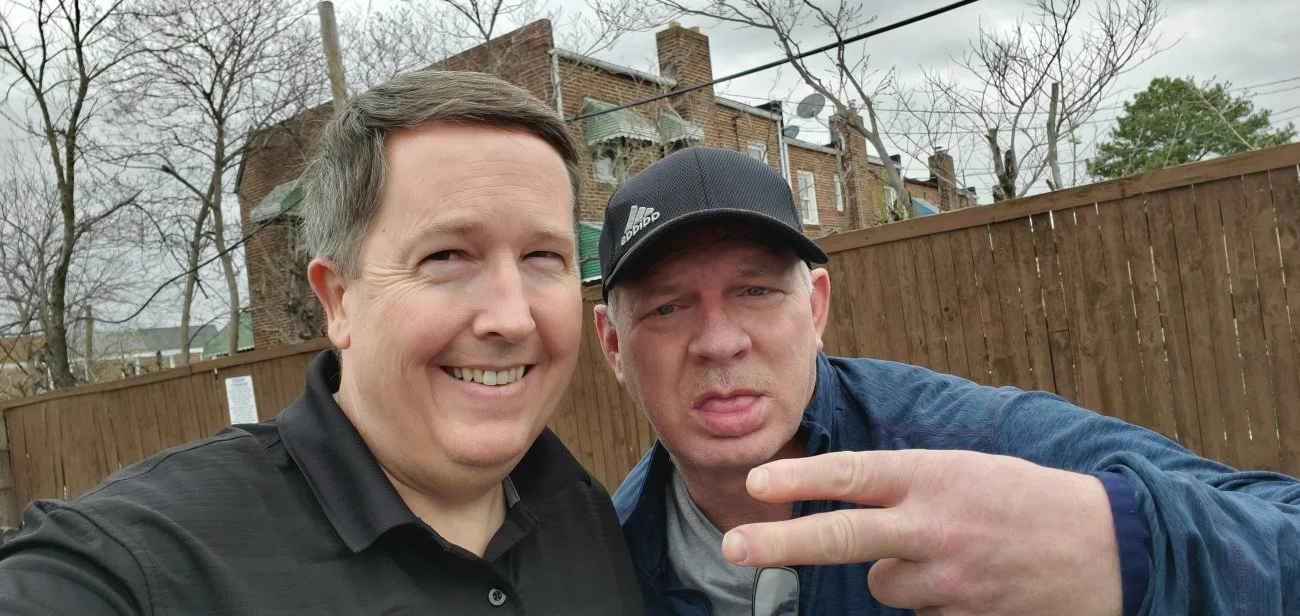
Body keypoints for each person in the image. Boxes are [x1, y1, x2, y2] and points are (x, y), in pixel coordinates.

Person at [0, 70, 643, 615]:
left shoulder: (589, 512)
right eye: (446, 256)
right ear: (338, 300)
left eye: (543, 256)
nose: (512, 318)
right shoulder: (150, 559)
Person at [593, 145, 1300, 615]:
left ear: (815, 309)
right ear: (615, 345)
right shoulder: (597, 558)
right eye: (668, 307)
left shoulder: (971, 445)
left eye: (755, 291)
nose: (719, 341)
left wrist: (1126, 547)